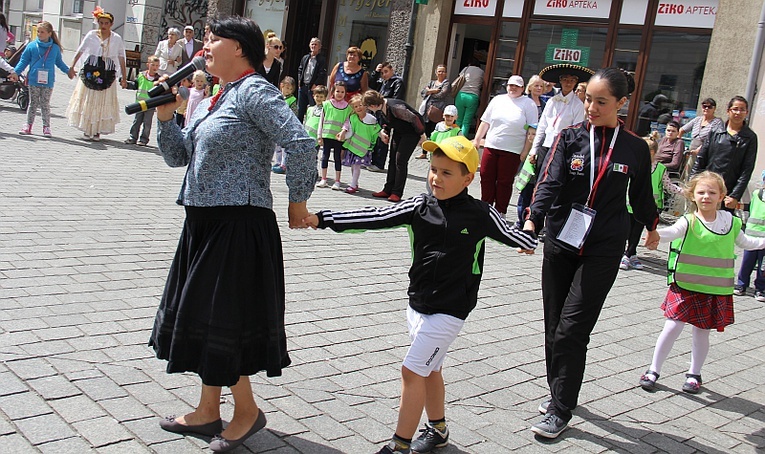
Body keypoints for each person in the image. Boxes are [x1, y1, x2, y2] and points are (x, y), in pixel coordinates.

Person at [303, 135, 537, 454]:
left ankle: (399, 445)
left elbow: (513, 234)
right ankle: (438, 429)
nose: (436, 178)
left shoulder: (480, 214)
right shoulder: (419, 206)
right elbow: (374, 217)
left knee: (412, 370)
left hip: (451, 310)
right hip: (417, 304)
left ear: (468, 178)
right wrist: (323, 218)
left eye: (446, 173)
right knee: (431, 369)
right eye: (434, 170)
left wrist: (529, 236)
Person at [149, 16, 317, 453]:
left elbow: (300, 143)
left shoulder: (255, 90)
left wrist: (296, 201)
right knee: (205, 319)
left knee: (221, 319)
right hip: (203, 222)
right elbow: (179, 156)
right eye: (204, 39)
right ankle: (208, 411)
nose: (205, 46)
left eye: (213, 39)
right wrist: (167, 116)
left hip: (238, 223)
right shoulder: (216, 96)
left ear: (240, 48)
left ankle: (246, 412)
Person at [524, 68, 660, 439]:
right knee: (554, 325)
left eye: (601, 102)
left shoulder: (633, 147)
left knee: (572, 329)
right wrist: (533, 221)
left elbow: (642, 195)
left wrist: (651, 226)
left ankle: (561, 408)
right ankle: (559, 392)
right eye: (588, 99)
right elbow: (549, 180)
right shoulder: (569, 138)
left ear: (622, 103)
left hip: (603, 247)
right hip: (561, 240)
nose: (591, 107)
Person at [638, 171, 765, 394]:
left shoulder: (732, 223)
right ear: (692, 196)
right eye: (701, 192)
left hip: (713, 289)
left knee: (702, 332)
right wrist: (654, 234)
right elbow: (672, 232)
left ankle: (694, 374)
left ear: (722, 196)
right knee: (672, 327)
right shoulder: (689, 220)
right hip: (685, 285)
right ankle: (653, 370)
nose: (706, 196)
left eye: (712, 192)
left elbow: (746, 242)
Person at [522, 64, 592, 226]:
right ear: (560, 81)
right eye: (565, 80)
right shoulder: (553, 101)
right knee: (540, 184)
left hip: (562, 150)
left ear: (576, 83)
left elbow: (576, 133)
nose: (568, 83)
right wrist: (534, 150)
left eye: (572, 80)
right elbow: (542, 127)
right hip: (546, 147)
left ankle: (551, 222)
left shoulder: (577, 105)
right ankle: (533, 220)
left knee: (556, 186)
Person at [472, 75, 537, 219]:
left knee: (504, 182)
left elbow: (532, 130)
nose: (513, 88)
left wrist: (526, 151)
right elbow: (485, 122)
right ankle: (486, 207)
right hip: (492, 145)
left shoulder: (528, 104)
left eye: (516, 86)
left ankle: (500, 211)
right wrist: (477, 139)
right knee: (486, 176)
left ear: (522, 88)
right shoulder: (497, 100)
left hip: (513, 150)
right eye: (510, 85)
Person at [620, 132, 683, 270]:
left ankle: (630, 253)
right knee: (627, 230)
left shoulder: (660, 169)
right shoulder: (636, 165)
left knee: (637, 231)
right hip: (630, 204)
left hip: (649, 206)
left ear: (652, 152)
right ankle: (627, 253)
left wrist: (684, 192)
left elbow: (668, 186)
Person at [66, 8, 127, 141]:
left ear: (111, 24)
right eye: (101, 23)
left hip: (107, 71)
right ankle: (88, 128)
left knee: (102, 99)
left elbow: (122, 57)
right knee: (90, 98)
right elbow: (80, 50)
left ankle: (97, 130)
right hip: (91, 68)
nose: (103, 26)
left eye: (106, 23)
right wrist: (72, 66)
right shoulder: (91, 35)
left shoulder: (116, 38)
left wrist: (124, 77)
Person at [691, 96, 758, 213]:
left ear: (747, 113)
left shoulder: (750, 137)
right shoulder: (716, 131)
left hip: (728, 191)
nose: (738, 112)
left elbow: (747, 169)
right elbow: (701, 158)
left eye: (742, 110)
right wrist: (693, 183)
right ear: (728, 111)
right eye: (735, 109)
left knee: (721, 226)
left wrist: (735, 195)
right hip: (708, 186)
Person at [365, 90, 426, 203]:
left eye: (368, 107)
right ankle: (388, 190)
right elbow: (387, 121)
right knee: (392, 159)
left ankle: (397, 193)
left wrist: (422, 134)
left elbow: (414, 118)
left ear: (373, 105)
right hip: (399, 132)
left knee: (400, 161)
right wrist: (385, 131)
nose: (368, 109)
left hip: (411, 133)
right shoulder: (382, 107)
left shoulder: (395, 107)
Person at [14, 21, 73, 137]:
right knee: (33, 103)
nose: (39, 34)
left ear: (49, 33)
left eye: (42, 32)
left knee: (45, 104)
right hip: (33, 79)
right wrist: (15, 72)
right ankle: (28, 125)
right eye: (38, 32)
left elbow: (59, 62)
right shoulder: (31, 46)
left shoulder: (54, 48)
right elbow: (23, 61)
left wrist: (68, 71)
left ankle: (46, 127)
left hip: (48, 80)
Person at [338, 93, 383, 194]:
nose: (358, 108)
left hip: (363, 148)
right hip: (353, 146)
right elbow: (349, 131)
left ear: (365, 105)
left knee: (357, 165)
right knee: (354, 166)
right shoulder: (353, 118)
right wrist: (343, 136)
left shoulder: (371, 119)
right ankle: (355, 183)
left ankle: (353, 185)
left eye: (360, 105)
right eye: (356, 106)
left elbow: (376, 130)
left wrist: (382, 136)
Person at [734, 170, 765, 299]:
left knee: (763, 265)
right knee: (747, 262)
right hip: (751, 235)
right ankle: (742, 285)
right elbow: (750, 208)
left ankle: (761, 288)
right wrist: (738, 206)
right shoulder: (756, 193)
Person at [316, 81, 351, 190]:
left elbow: (347, 121)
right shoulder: (326, 104)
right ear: (333, 91)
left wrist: (344, 130)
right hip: (327, 135)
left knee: (337, 158)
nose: (340, 93)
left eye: (342, 91)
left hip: (338, 137)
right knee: (325, 157)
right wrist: (319, 135)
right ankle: (324, 179)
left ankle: (337, 181)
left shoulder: (347, 107)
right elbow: (321, 121)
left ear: (345, 93)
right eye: (337, 91)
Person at [680, 97, 724, 174]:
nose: (706, 108)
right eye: (704, 106)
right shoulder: (697, 119)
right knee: (687, 174)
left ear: (714, 109)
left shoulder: (717, 122)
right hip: (692, 152)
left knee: (698, 174)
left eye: (709, 107)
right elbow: (682, 130)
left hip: (706, 153)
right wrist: (679, 143)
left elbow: (712, 139)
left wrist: (698, 150)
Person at [124, 56, 160, 145]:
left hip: (150, 105)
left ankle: (144, 139)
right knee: (137, 121)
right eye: (153, 65)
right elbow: (135, 85)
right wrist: (127, 84)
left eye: (157, 65)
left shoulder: (159, 79)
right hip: (139, 104)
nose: (155, 67)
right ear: (148, 65)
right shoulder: (141, 75)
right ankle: (133, 137)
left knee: (147, 123)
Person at [296, 37, 327, 122]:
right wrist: (299, 80)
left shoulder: (321, 59)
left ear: (319, 47)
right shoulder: (305, 57)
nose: (313, 46)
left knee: (313, 108)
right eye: (312, 44)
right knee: (300, 109)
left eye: (316, 44)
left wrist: (315, 84)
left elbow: (322, 73)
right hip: (303, 86)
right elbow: (300, 69)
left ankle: (310, 124)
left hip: (312, 88)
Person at [272, 76, 298, 174]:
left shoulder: (292, 100)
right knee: (277, 146)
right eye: (287, 88)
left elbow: (294, 113)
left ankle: (284, 164)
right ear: (281, 86)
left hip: (286, 126)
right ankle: (277, 162)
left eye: (291, 89)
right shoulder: (277, 96)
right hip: (277, 125)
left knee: (284, 147)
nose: (289, 91)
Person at [453, 59, 483, 137]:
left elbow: (460, 78)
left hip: (461, 95)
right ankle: (461, 140)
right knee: (466, 122)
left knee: (458, 120)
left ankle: (453, 137)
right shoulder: (481, 72)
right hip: (473, 96)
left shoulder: (466, 68)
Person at [420, 64, 451, 137]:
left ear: (446, 73)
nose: (441, 73)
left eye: (443, 71)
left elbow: (441, 95)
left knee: (434, 133)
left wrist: (429, 92)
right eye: (439, 71)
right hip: (427, 112)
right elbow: (422, 92)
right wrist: (433, 90)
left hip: (438, 111)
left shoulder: (446, 84)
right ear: (436, 73)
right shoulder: (431, 83)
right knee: (426, 133)